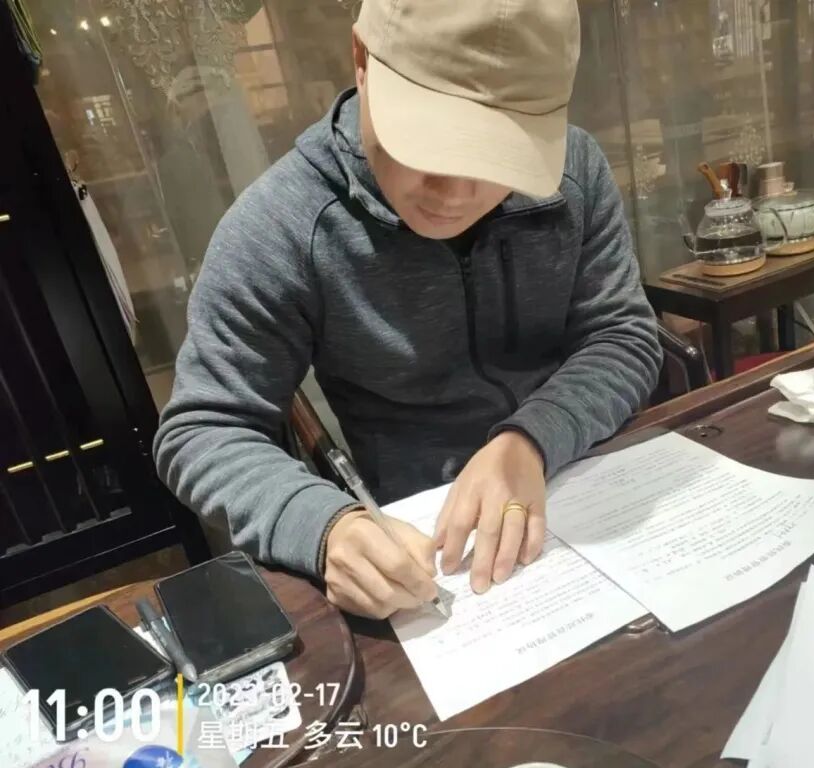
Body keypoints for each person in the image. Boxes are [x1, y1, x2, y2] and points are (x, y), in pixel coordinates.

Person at [153, 0, 662, 620]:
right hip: (426, 541)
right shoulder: (280, 228)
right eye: (426, 145)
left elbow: (622, 334)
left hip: (589, 482)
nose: (455, 194)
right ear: (362, 59)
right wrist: (323, 526)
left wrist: (530, 439)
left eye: (496, 156)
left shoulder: (573, 173)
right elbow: (203, 429)